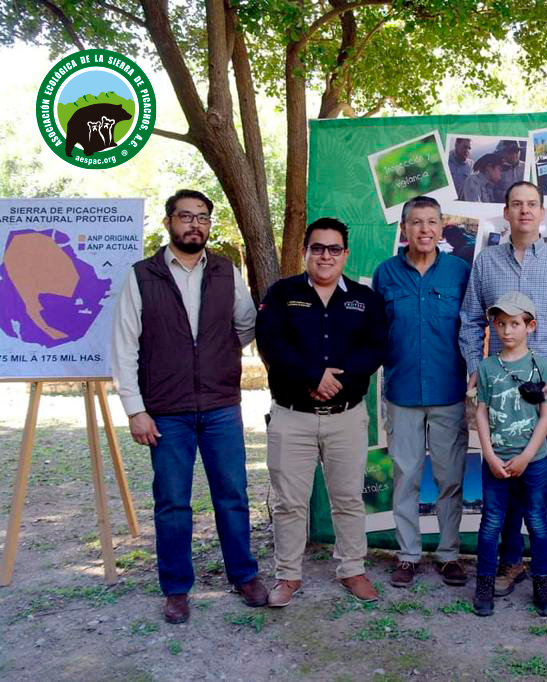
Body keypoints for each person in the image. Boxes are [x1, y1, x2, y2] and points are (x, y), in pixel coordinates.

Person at [111, 189, 267, 624]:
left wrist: (213, 354)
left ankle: (244, 575)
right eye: (186, 216)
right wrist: (135, 409)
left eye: (202, 217)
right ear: (168, 223)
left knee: (233, 495)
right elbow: (124, 346)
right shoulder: (142, 276)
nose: (194, 224)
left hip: (220, 405)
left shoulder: (225, 271)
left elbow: (247, 322)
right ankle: (176, 588)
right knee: (173, 502)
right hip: (166, 411)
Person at [459, 181, 547, 601]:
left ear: (542, 213)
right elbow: (469, 321)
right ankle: (511, 561)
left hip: (546, 392)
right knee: (506, 477)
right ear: (506, 212)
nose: (524, 211)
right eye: (516, 204)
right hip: (500, 396)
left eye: (532, 204)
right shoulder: (486, 263)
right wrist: (474, 370)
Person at [256, 217, 387, 607]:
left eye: (333, 249)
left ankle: (352, 569)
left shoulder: (366, 300)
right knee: (289, 503)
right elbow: (271, 345)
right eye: (318, 248)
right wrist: (313, 375)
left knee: (348, 498)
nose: (325, 255)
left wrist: (338, 383)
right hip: (291, 416)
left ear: (345, 254)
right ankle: (288, 576)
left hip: (346, 416)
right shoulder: (282, 294)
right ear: (305, 252)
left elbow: (375, 348)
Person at [372, 196, 471, 589]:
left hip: (449, 393)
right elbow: (374, 332)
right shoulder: (385, 274)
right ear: (404, 229)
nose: (424, 229)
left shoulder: (460, 272)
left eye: (432, 222)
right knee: (405, 477)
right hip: (402, 393)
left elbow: (476, 326)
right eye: (416, 222)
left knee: (450, 479)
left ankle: (449, 554)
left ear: (442, 227)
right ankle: (408, 555)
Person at [472, 292, 547, 618]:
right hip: (495, 460)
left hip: (533, 462)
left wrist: (527, 455)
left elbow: (546, 415)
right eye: (501, 324)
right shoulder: (487, 367)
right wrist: (490, 455)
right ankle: (484, 583)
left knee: (537, 521)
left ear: (530, 326)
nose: (507, 331)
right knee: (491, 521)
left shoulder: (542, 366)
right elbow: (480, 412)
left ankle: (542, 582)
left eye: (515, 324)